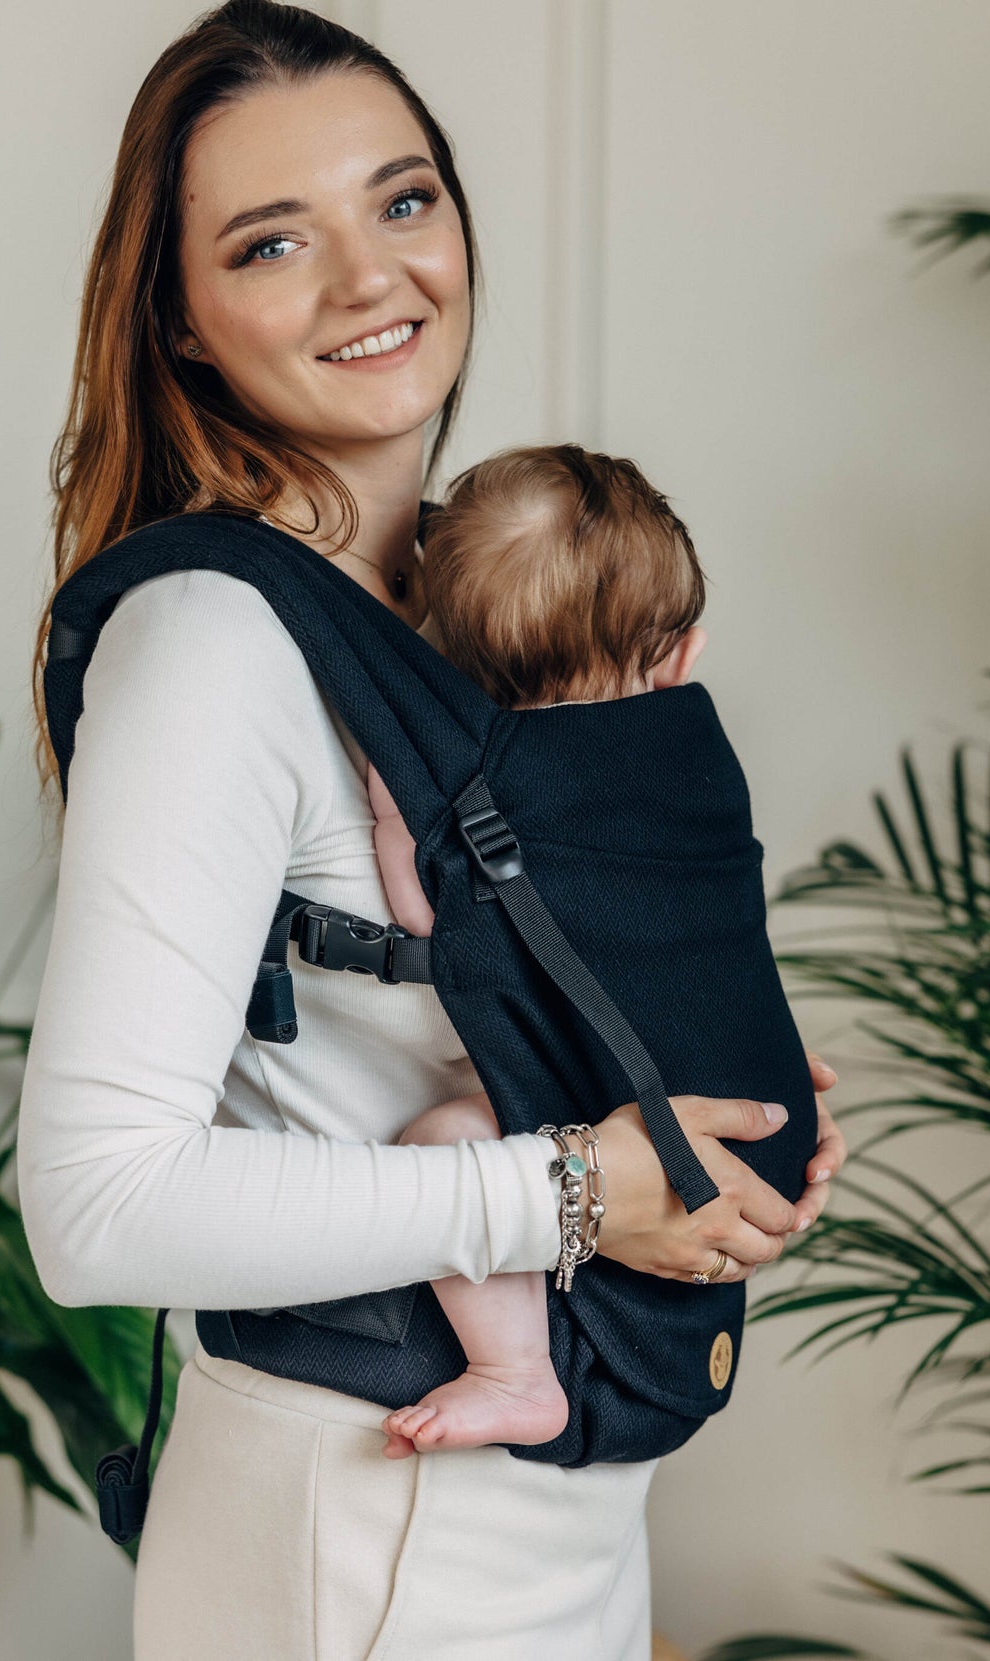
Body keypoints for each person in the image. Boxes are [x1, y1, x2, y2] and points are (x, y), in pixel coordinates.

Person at [17, 0, 846, 1661]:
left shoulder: (445, 609)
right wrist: (567, 1192)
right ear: (176, 319)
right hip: (372, 1526)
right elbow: (94, 1203)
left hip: (524, 1511)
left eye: (400, 201)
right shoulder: (216, 639)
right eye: (268, 243)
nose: (368, 277)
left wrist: (689, 1111)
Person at [366, 443, 723, 1458]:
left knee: (443, 1145)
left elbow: (429, 920)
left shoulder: (478, 787)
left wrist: (394, 802)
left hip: (586, 1101)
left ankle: (513, 1372)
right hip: (714, 1093)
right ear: (680, 657)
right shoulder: (695, 774)